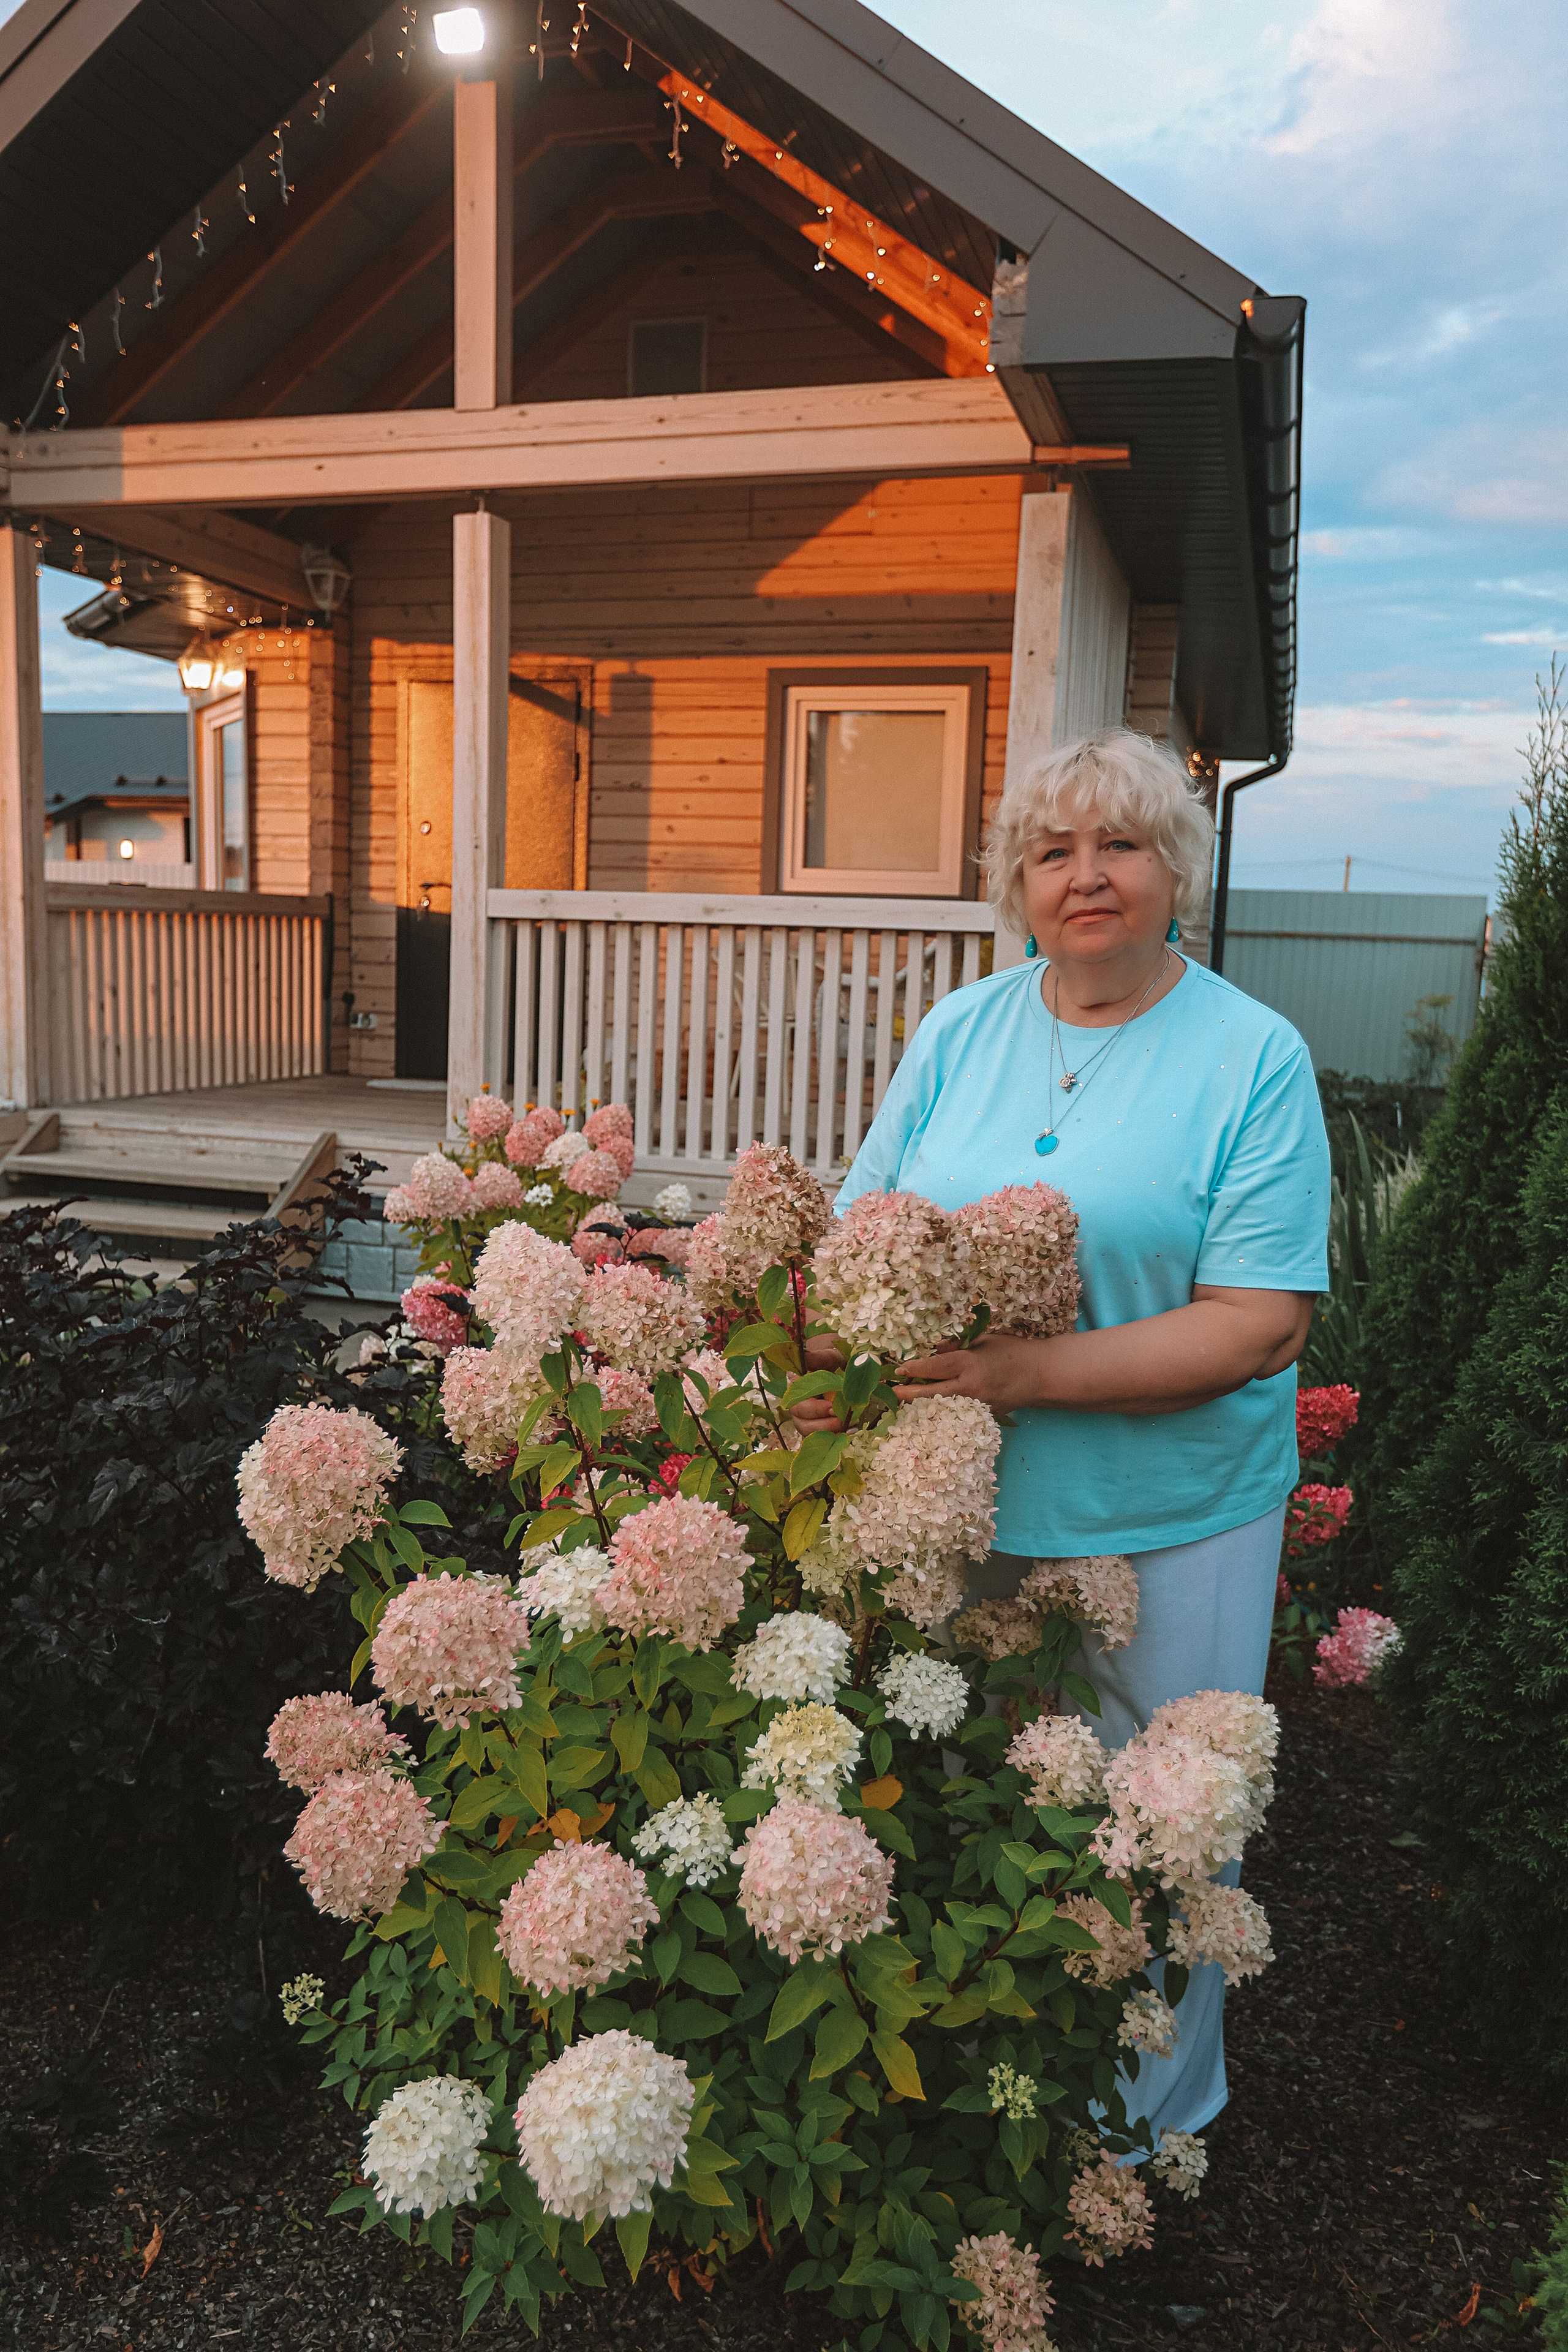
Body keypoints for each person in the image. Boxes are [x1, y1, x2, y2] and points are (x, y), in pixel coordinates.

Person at [795, 725, 1330, 2144]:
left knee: (1157, 1827)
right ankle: (988, 2125)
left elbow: (1259, 1325)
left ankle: (1139, 2131)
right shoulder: (959, 1030)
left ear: (1175, 870)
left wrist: (1017, 1372)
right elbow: (868, 1233)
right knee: (979, 1815)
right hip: (965, 1506)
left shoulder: (1249, 1056)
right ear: (1013, 883)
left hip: (1175, 1519)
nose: (1084, 877)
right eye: (1050, 852)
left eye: (1120, 845)